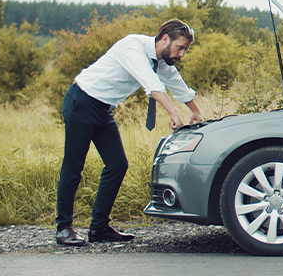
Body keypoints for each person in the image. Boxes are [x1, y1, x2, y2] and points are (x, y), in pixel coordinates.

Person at [55, 19, 204, 246]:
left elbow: (176, 83)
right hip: (82, 101)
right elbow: (151, 84)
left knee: (117, 165)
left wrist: (195, 111)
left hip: (103, 109)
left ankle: (99, 228)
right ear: (165, 39)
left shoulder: (160, 60)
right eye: (180, 47)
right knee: (74, 166)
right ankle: (64, 228)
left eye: (185, 49)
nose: (181, 54)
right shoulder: (132, 46)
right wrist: (173, 113)